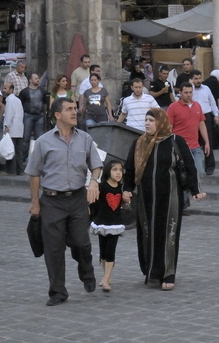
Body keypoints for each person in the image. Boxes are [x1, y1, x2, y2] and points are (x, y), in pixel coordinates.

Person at [25, 97, 102, 306]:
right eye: (69, 109)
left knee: (81, 242)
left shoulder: (85, 139)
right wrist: (35, 202)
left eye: (75, 109)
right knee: (54, 248)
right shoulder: (43, 142)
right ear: (58, 115)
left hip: (77, 198)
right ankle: (58, 292)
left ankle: (86, 269)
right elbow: (34, 174)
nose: (75, 112)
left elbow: (96, 165)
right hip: (51, 201)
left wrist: (94, 182)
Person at [122, 109, 206, 290]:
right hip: (146, 196)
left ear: (160, 122)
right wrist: (127, 188)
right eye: (146, 120)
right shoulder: (139, 143)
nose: (147, 123)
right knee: (147, 232)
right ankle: (151, 271)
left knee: (168, 233)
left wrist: (195, 189)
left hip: (170, 196)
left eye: (151, 120)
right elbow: (129, 167)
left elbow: (190, 166)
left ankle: (168, 273)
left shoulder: (175, 141)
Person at [89, 160, 126, 292]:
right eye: (114, 170)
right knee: (103, 252)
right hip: (102, 223)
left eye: (120, 170)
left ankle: (106, 279)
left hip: (115, 224)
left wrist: (126, 200)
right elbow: (93, 203)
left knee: (111, 251)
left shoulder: (122, 188)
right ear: (108, 172)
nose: (118, 173)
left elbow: (124, 206)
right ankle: (106, 276)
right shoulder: (102, 187)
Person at [168, 82, 211, 177]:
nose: (188, 95)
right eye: (186, 92)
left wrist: (207, 142)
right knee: (184, 176)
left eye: (190, 92)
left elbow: (201, 124)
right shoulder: (173, 107)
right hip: (179, 148)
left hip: (195, 146)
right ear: (180, 93)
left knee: (199, 173)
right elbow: (169, 128)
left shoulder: (197, 105)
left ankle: (196, 191)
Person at [19, 73, 47, 162]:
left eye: (38, 78)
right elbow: (20, 104)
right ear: (30, 80)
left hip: (39, 116)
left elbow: (44, 103)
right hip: (28, 115)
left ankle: (37, 158)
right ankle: (23, 157)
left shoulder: (42, 91)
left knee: (39, 138)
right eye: (35, 78)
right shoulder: (24, 92)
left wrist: (44, 113)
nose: (38, 80)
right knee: (25, 138)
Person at [2, 82, 24, 175]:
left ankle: (11, 170)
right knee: (18, 150)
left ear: (11, 89)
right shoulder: (17, 100)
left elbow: (9, 114)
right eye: (3, 88)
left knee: (10, 150)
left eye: (6, 88)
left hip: (12, 128)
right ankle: (19, 170)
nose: (4, 90)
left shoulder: (10, 100)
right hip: (19, 128)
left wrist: (6, 126)